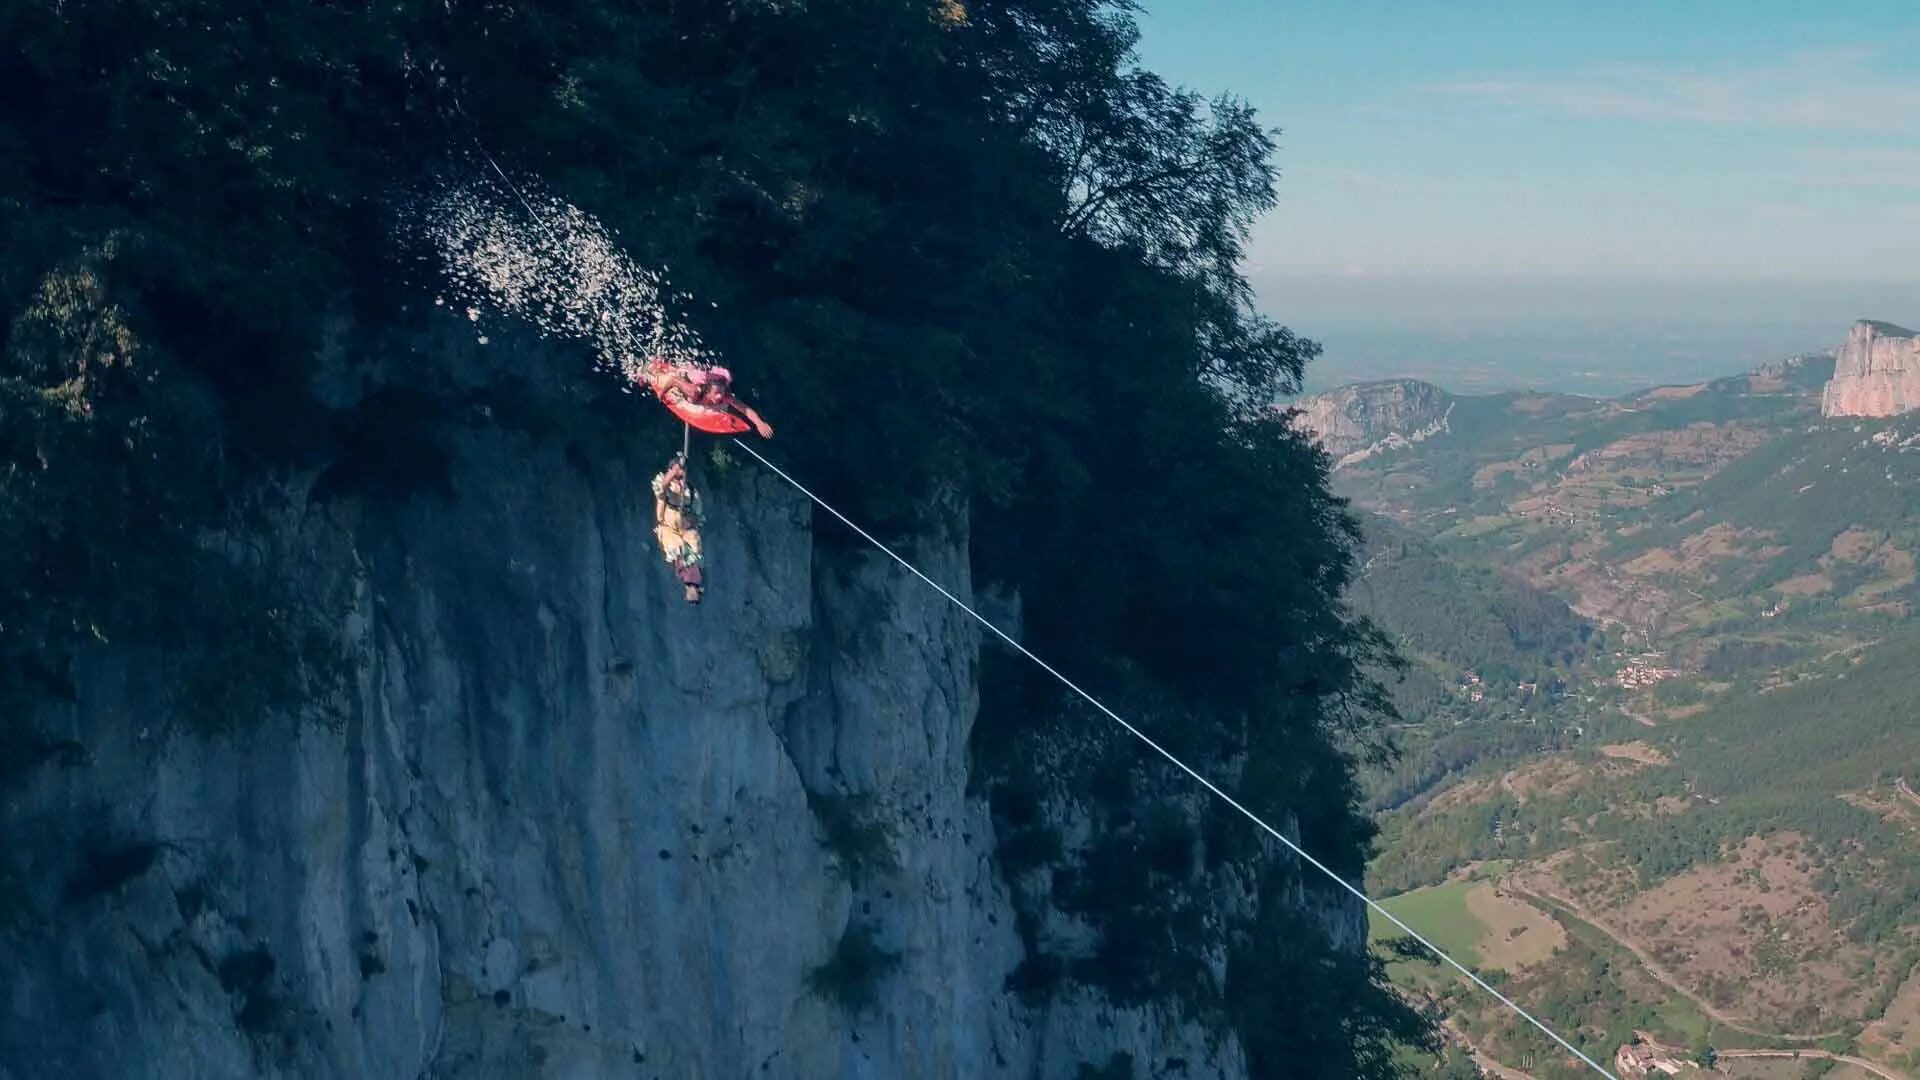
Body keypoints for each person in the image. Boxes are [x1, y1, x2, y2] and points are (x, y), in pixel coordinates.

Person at [639, 357, 774, 439]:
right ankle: (648, 369)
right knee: (648, 379)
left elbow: (744, 408)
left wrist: (759, 423)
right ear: (708, 390)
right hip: (678, 380)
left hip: (695, 379)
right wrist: (661, 393)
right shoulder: (694, 392)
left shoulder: (723, 394)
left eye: (722, 392)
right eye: (717, 393)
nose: (720, 396)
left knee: (724, 400)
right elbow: (674, 380)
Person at [651, 454, 705, 604]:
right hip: (669, 528)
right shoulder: (665, 483)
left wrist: (690, 519)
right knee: (680, 552)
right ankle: (689, 584)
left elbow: (698, 514)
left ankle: (695, 585)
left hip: (686, 528)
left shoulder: (691, 491)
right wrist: (675, 470)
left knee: (695, 551)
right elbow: (661, 488)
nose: (682, 476)